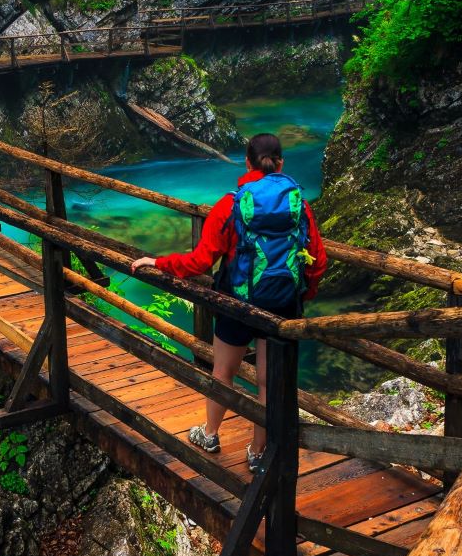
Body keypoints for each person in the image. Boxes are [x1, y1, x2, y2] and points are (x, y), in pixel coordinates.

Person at [130, 133, 327, 475]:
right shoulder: (299, 205)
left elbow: (200, 262)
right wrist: (300, 296)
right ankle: (257, 451)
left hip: (238, 305)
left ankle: (210, 435)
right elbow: (318, 261)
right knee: (269, 381)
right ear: (281, 163)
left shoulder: (231, 205)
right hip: (283, 308)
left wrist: (158, 262)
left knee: (222, 371)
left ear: (247, 162)